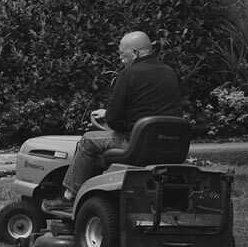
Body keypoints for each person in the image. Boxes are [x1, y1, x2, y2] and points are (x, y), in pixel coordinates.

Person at [42, 31, 182, 210]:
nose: (121, 60)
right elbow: (151, 107)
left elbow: (114, 120)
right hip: (170, 145)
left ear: (135, 53)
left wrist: (110, 118)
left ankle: (68, 197)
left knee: (88, 140)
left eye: (123, 55)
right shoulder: (169, 73)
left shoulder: (129, 74)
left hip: (138, 145)